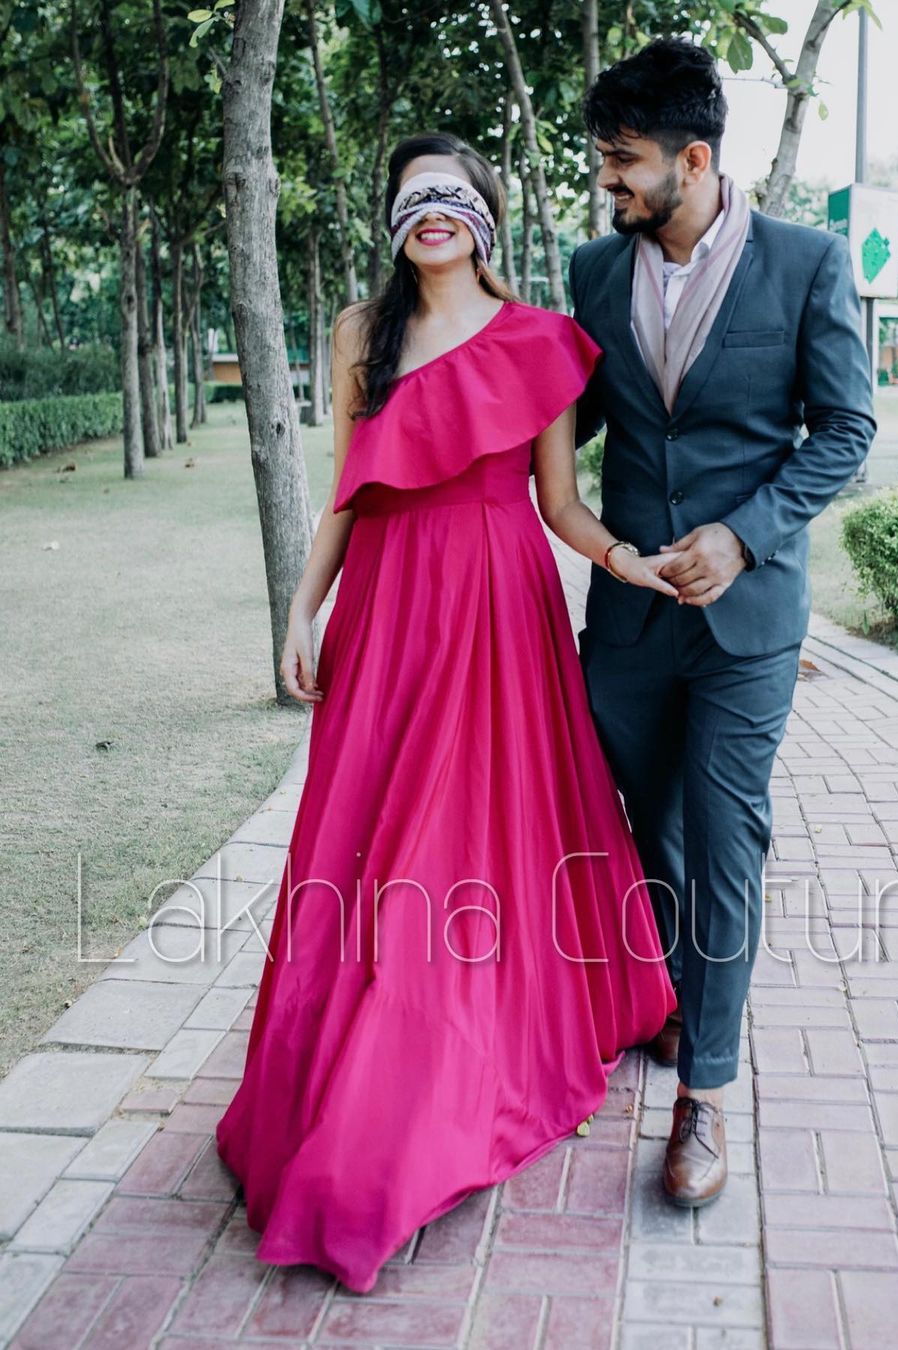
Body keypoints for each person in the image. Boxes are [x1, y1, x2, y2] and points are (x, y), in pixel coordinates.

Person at [215, 131, 677, 1294]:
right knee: (371, 847)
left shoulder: (538, 341)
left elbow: (562, 506)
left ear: (483, 218)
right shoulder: (359, 337)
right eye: (415, 198)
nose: (435, 215)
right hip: (383, 616)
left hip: (496, 612)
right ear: (395, 222)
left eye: (456, 198)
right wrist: (297, 615)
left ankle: (413, 1100)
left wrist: (625, 558)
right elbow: (343, 493)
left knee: (467, 843)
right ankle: (354, 1075)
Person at [568, 39, 876, 1208]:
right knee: (655, 828)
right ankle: (675, 998)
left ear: (695, 159)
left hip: (749, 618)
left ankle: (708, 1091)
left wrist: (743, 534)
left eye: (626, 162)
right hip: (631, 626)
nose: (612, 182)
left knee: (727, 834)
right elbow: (569, 421)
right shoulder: (595, 273)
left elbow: (844, 432)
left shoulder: (808, 263)